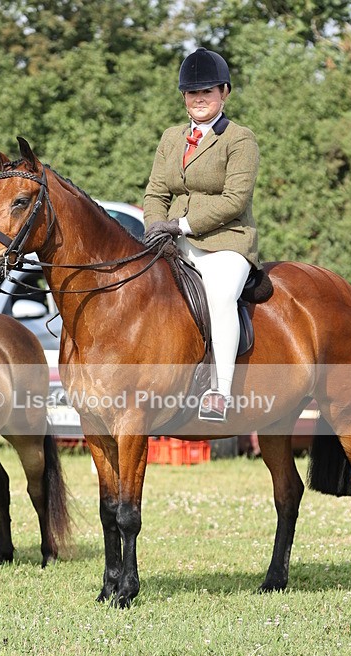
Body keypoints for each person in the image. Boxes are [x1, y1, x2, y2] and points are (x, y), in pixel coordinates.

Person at [143, 47, 260, 422]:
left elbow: (234, 199)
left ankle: (219, 392)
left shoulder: (239, 139)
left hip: (226, 242)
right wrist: (153, 229)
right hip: (171, 240)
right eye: (193, 93)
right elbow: (156, 192)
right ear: (183, 97)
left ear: (224, 93)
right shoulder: (170, 138)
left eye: (207, 91)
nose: (199, 99)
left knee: (220, 296)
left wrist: (181, 225)